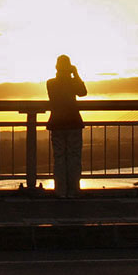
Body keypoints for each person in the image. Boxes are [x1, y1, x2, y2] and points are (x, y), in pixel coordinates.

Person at [46, 55, 87, 198]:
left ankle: (61, 191)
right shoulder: (72, 83)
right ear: (69, 68)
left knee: (59, 157)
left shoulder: (50, 83)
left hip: (57, 123)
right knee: (74, 157)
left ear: (56, 67)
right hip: (73, 122)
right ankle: (73, 190)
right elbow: (83, 92)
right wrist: (75, 74)